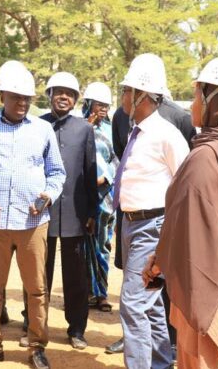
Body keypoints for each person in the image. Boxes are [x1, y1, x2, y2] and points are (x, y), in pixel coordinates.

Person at [143, 55, 218, 369]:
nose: (192, 103)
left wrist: (160, 259)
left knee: (204, 356)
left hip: (206, 272)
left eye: (197, 95)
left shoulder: (206, 155)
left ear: (214, 100)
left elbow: (189, 225)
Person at [0, 60, 66, 369]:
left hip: (33, 223)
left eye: (27, 98)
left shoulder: (43, 129)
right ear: (2, 97)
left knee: (36, 289)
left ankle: (36, 346)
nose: (22, 103)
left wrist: (49, 195)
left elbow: (57, 173)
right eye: (16, 97)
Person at [106, 68, 196, 356]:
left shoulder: (167, 135)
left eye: (127, 91)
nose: (123, 96)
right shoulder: (138, 130)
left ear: (142, 96)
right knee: (150, 299)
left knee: (133, 304)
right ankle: (160, 361)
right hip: (131, 222)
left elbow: (185, 184)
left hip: (152, 224)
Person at [36, 72, 98, 349]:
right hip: (42, 211)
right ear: (49, 95)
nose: (63, 97)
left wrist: (92, 212)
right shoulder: (36, 126)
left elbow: (90, 172)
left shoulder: (84, 129)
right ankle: (34, 325)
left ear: (75, 99)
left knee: (76, 275)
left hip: (75, 212)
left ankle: (77, 329)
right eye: (58, 91)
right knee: (39, 273)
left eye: (69, 93)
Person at [82, 82, 118, 313]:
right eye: (98, 104)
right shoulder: (79, 127)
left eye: (106, 105)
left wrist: (105, 178)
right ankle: (86, 291)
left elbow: (118, 159)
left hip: (105, 197)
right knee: (83, 247)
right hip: (83, 196)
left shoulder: (111, 131)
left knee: (102, 244)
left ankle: (102, 293)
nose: (103, 109)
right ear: (88, 104)